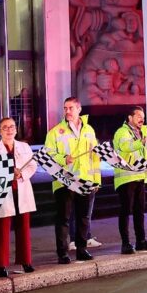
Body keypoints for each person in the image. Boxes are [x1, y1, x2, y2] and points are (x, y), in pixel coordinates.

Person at [44, 97, 101, 264]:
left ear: (79, 109)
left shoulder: (89, 130)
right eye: (65, 108)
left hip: (86, 180)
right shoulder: (55, 132)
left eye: (70, 108)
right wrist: (63, 158)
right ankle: (62, 253)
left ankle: (82, 249)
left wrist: (96, 180)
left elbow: (95, 157)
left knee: (84, 217)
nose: (67, 111)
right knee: (64, 218)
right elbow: (47, 154)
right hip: (64, 181)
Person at [0, 117, 38, 277]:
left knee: (23, 227)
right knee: (1, 229)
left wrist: (21, 174)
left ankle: (26, 261)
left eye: (12, 127)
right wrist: (9, 172)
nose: (9, 130)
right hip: (2, 191)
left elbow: (32, 165)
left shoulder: (24, 146)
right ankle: (1, 264)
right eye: (5, 127)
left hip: (21, 189)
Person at [111, 106, 147, 254]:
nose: (142, 119)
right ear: (130, 118)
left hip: (140, 176)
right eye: (138, 116)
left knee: (139, 211)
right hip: (126, 176)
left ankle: (141, 241)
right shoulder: (122, 132)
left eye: (143, 116)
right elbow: (125, 147)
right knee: (125, 210)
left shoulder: (143, 131)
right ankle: (125, 243)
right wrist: (140, 142)